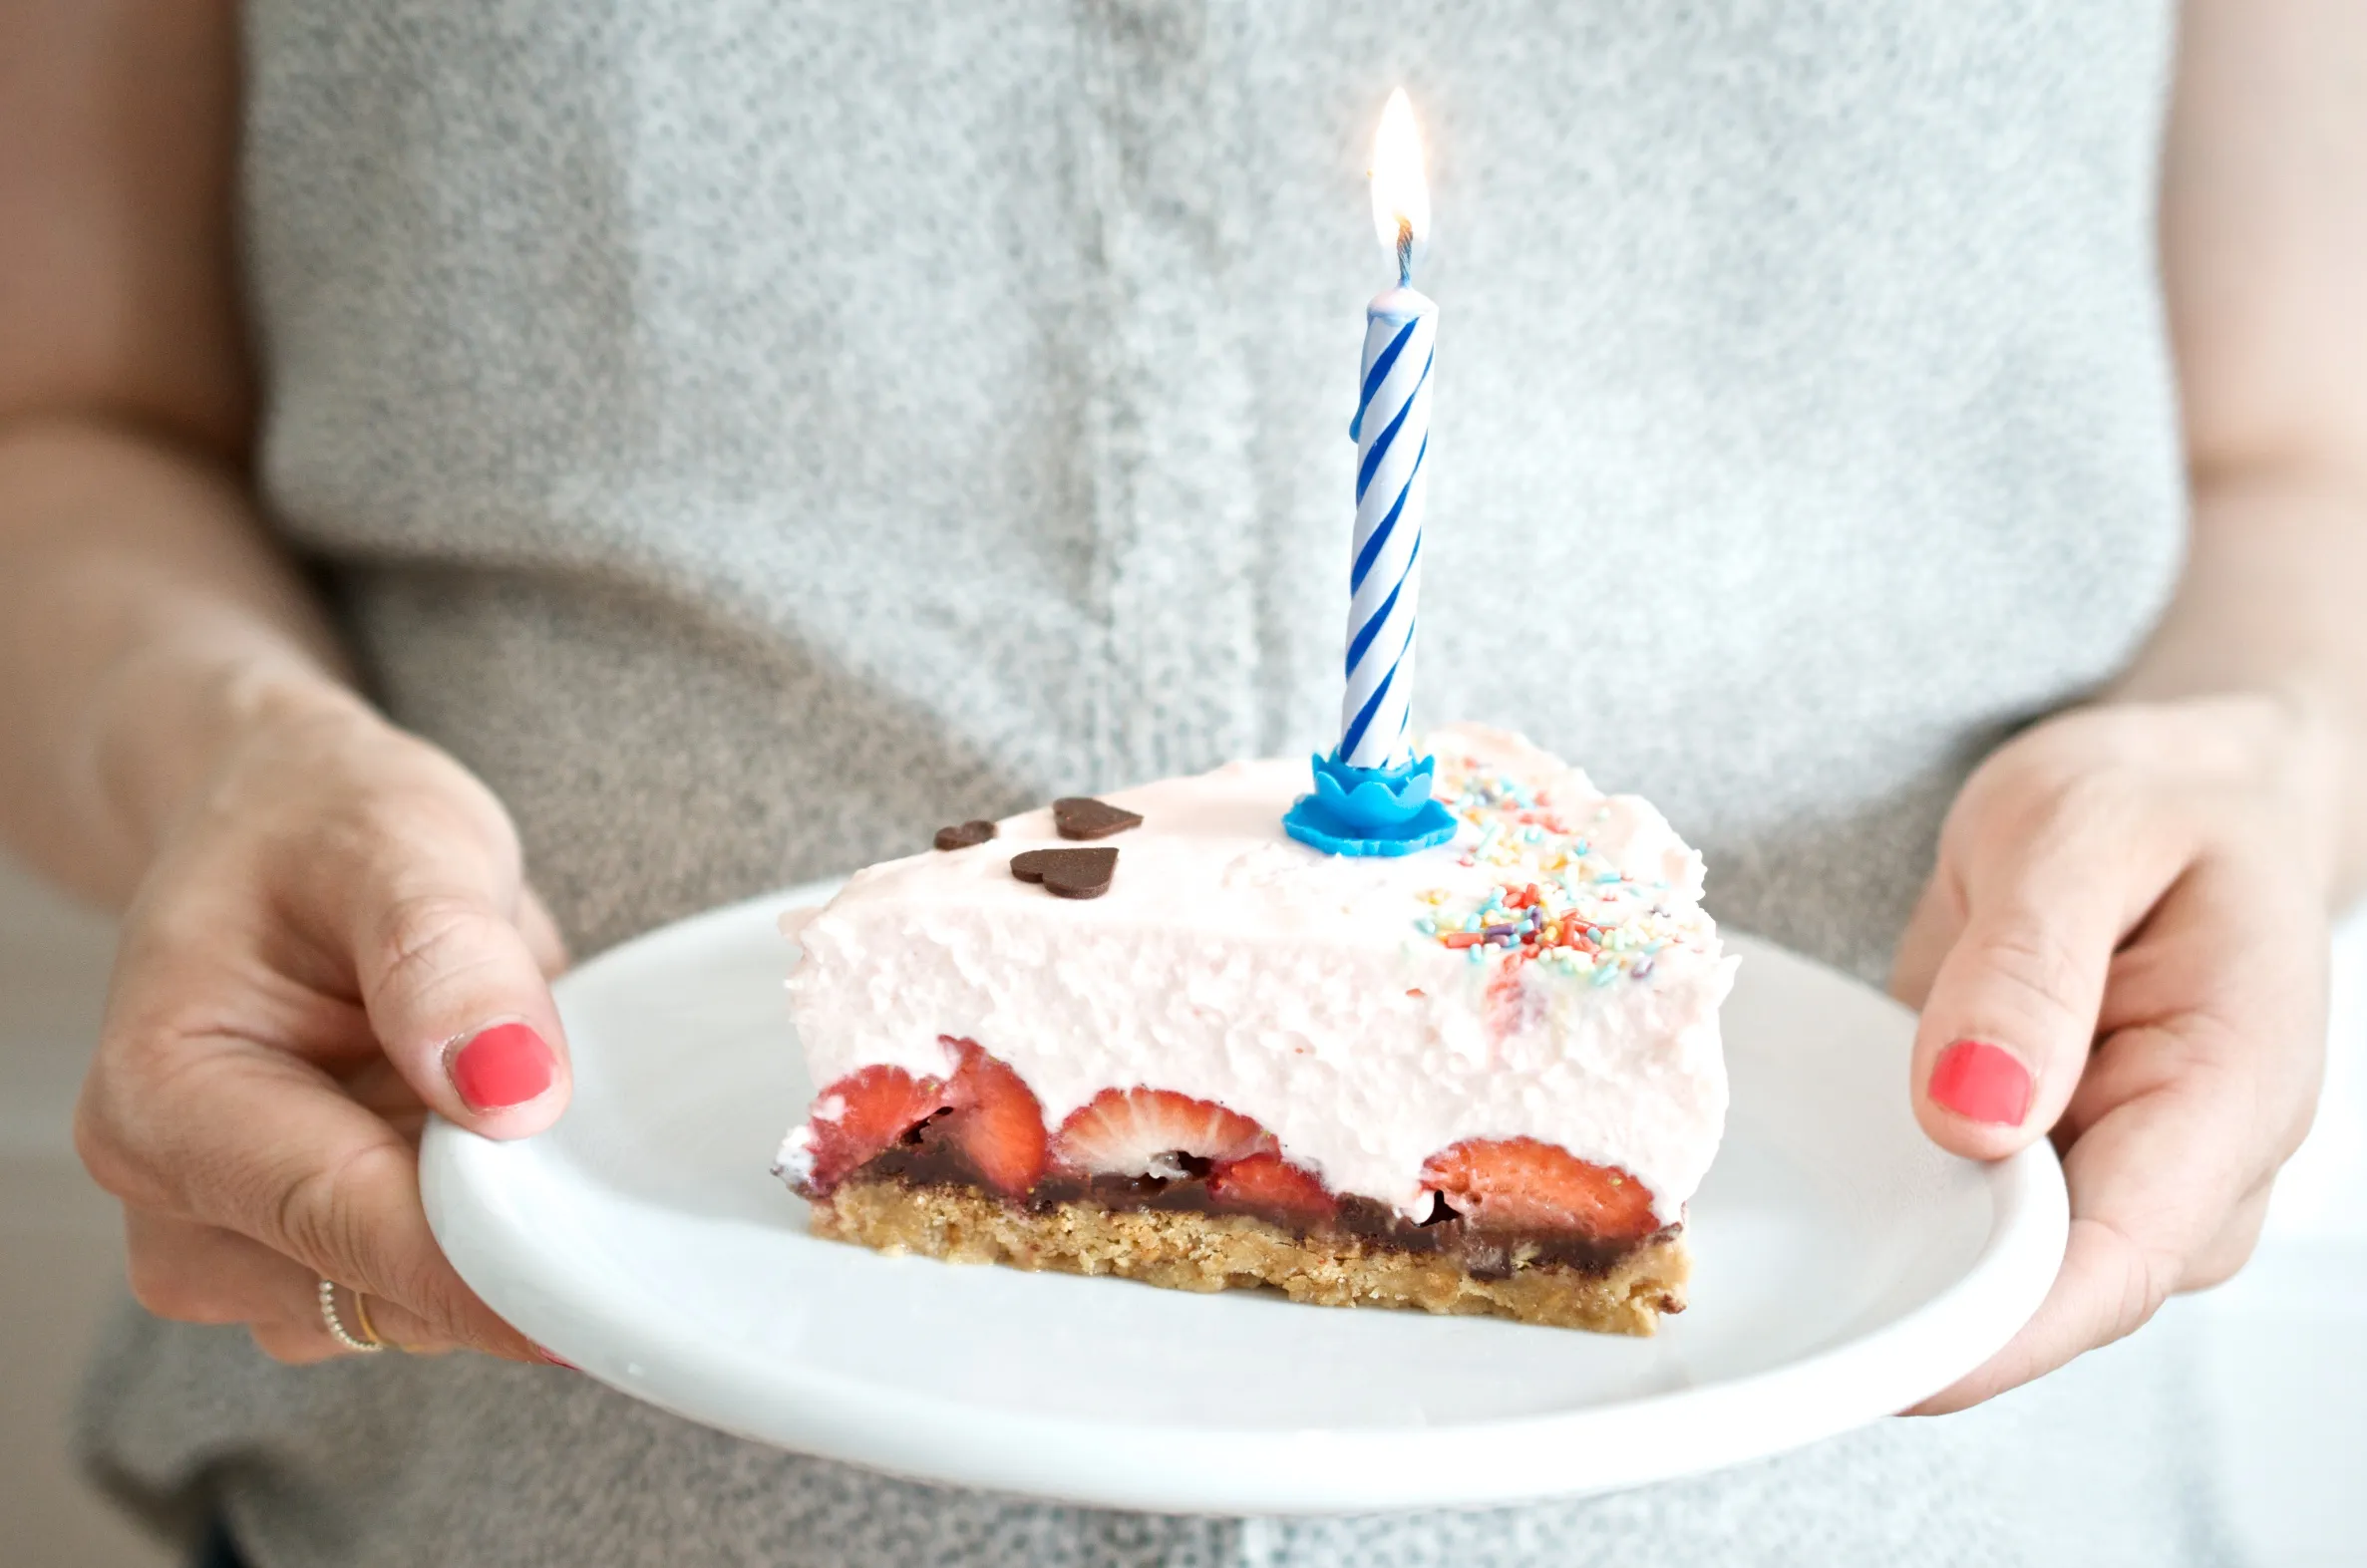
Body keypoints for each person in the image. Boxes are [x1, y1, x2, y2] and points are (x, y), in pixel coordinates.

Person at [2, 1, 2359, 1563]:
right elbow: (70, 418)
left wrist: (2256, 751)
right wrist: (227, 752)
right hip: (527, 1457)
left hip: (1901, 1478)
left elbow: (2299, 454)